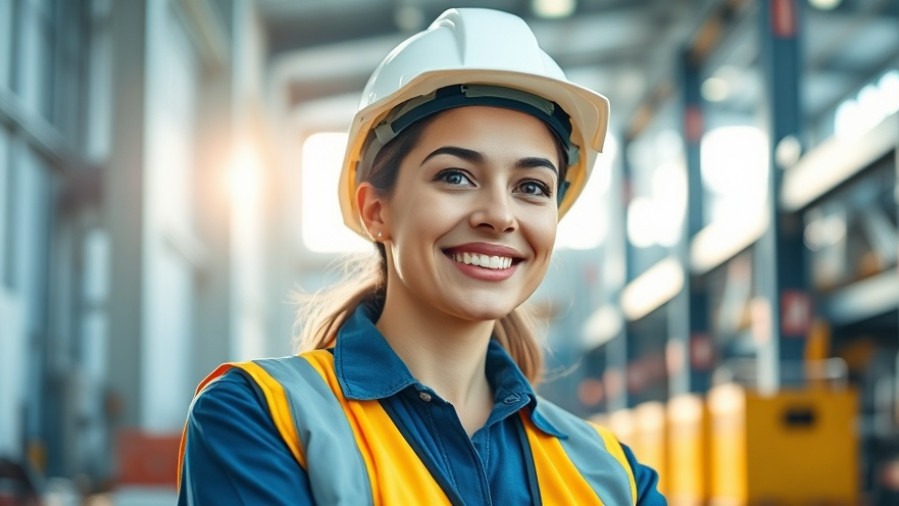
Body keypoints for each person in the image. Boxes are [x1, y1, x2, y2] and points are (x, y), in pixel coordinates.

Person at [177, 7, 666, 505]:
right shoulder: (260, 418)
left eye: (532, 187)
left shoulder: (614, 475)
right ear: (376, 211)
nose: (500, 215)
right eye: (455, 176)